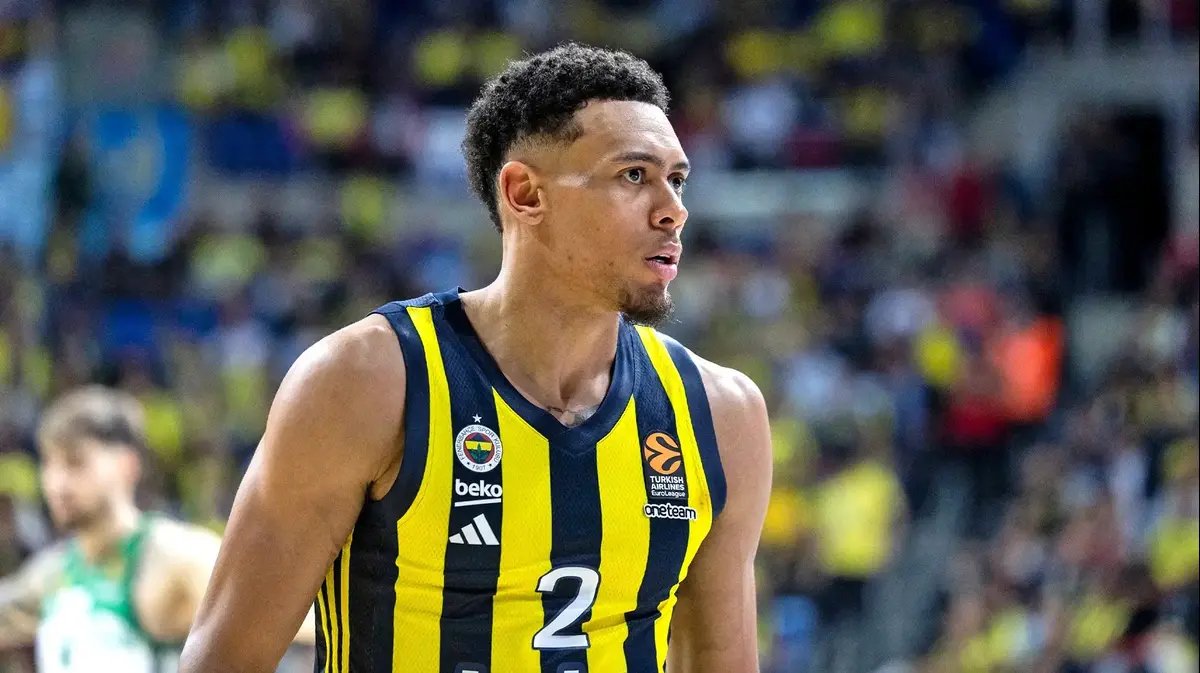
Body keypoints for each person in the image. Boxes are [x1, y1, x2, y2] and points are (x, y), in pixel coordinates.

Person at [181, 43, 773, 673]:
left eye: (676, 179)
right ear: (525, 193)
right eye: (633, 176)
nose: (674, 210)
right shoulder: (366, 382)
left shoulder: (720, 414)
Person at [0, 386, 228, 671]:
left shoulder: (176, 556)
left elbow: (274, 618)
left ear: (126, 465)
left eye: (75, 463)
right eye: (49, 463)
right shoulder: (52, 575)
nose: (58, 483)